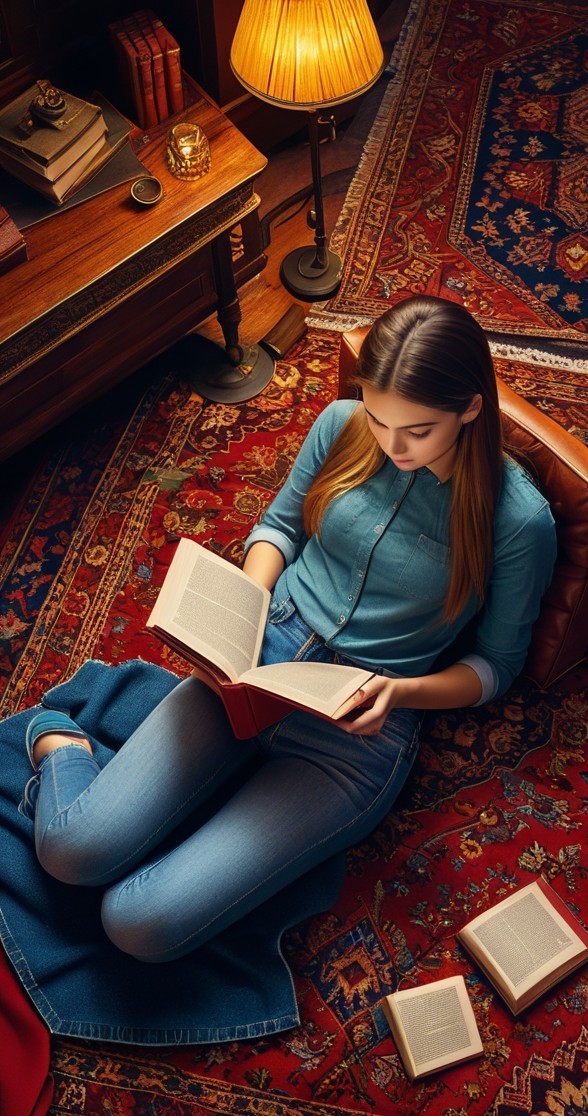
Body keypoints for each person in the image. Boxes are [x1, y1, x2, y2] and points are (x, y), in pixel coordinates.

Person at [19, 295, 556, 965]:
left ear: (470, 408)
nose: (392, 446)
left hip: (354, 732)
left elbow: (495, 667)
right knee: (72, 850)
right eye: (378, 417)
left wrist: (401, 692)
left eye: (416, 431)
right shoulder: (341, 425)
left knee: (140, 924)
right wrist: (251, 595)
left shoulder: (518, 522)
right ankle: (62, 742)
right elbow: (278, 527)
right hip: (260, 659)